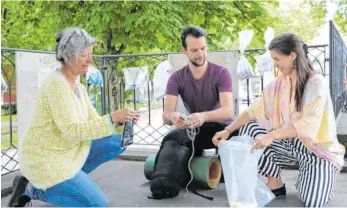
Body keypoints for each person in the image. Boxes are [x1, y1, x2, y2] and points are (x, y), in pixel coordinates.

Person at [8, 27, 140, 207]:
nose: (90, 60)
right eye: (84, 54)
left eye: (91, 54)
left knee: (117, 142)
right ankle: (32, 188)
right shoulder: (56, 85)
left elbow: (94, 123)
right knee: (98, 205)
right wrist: (111, 118)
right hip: (45, 160)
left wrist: (120, 121)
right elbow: (72, 131)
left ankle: (71, 184)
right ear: (68, 55)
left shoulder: (79, 88)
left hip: (67, 151)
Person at [212, 33, 345, 207]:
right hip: (291, 146)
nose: (275, 64)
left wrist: (271, 136)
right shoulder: (279, 83)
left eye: (277, 59)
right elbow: (253, 110)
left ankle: (314, 177)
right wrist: (228, 130)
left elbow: (308, 126)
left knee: (314, 201)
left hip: (316, 152)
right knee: (250, 129)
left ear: (292, 55)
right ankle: (275, 184)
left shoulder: (316, 83)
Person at [149, 25, 236, 198]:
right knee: (174, 137)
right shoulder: (176, 78)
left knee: (239, 132)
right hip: (195, 129)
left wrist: (203, 116)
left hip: (221, 129)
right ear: (184, 51)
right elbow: (166, 116)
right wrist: (173, 117)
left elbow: (228, 111)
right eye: (194, 50)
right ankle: (164, 184)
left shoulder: (221, 73)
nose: (200, 54)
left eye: (203, 48)